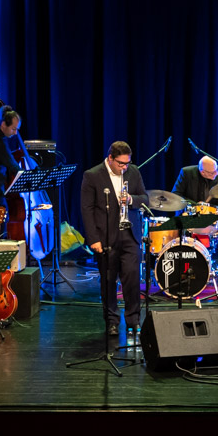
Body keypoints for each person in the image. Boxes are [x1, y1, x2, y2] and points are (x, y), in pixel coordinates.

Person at [80, 141, 147, 336]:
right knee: (108, 281)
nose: (124, 167)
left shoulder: (133, 172)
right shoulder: (92, 175)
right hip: (105, 237)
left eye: (127, 163)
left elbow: (145, 198)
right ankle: (112, 321)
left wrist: (132, 200)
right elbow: (87, 209)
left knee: (132, 279)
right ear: (110, 158)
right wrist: (93, 239)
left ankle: (134, 321)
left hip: (129, 235)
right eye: (120, 164)